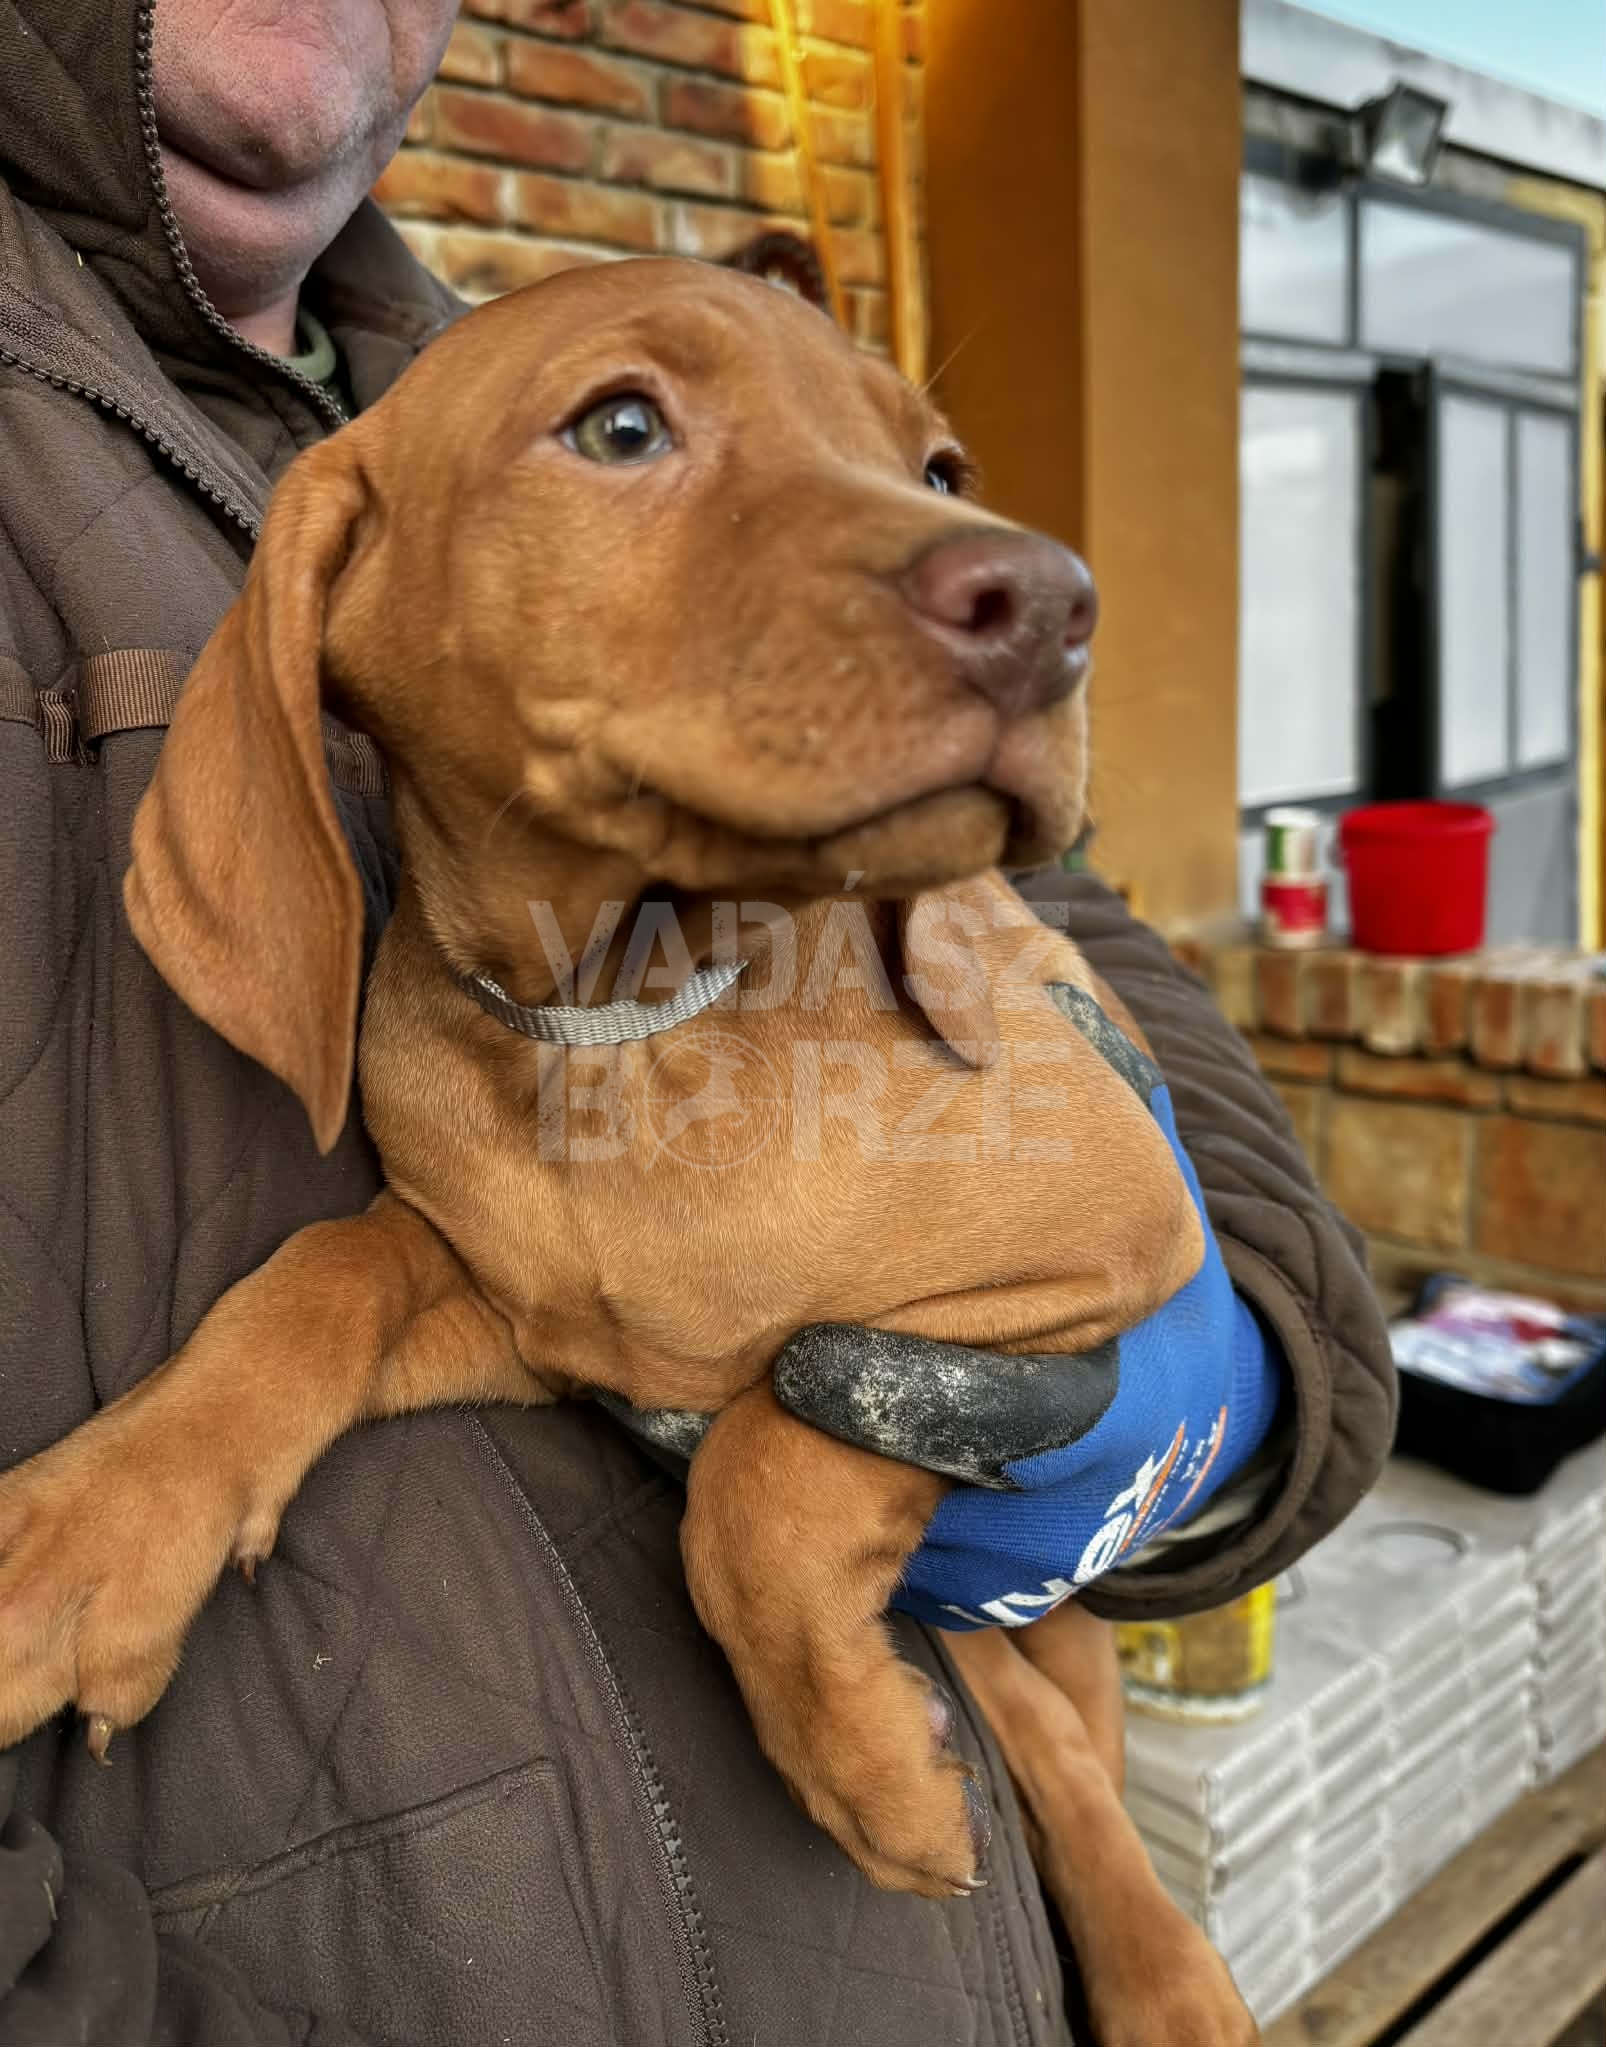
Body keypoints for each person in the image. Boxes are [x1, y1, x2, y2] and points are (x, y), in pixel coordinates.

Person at [0, 3, 1397, 2039]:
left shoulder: (473, 357)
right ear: (341, 635)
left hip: (933, 1927)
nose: (980, 560)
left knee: (1012, 1636)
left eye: (929, 471)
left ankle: (1110, 1866)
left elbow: (1076, 953)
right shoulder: (386, 489)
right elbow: (490, 1272)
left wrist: (1247, 1364)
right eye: (631, 432)